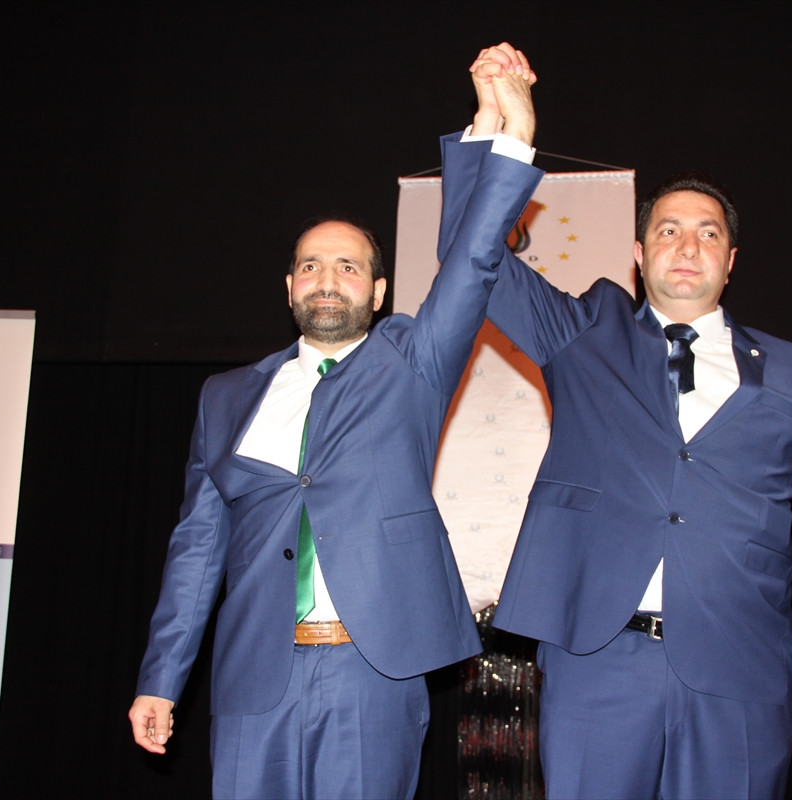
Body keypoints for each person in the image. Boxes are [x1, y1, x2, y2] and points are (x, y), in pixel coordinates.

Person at [443, 42, 792, 800]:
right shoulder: (586, 333)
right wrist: (498, 131)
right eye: (669, 230)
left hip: (740, 676)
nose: (688, 245)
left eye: (709, 233)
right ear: (639, 255)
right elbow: (469, 260)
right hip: (599, 664)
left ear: (731, 261)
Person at [127, 55, 543, 799]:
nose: (327, 279)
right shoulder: (225, 398)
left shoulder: (411, 360)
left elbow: (475, 260)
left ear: (379, 292)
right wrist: (161, 679)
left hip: (371, 673)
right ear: (289, 286)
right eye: (312, 266)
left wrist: (502, 133)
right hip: (255, 678)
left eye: (348, 268)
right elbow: (197, 551)